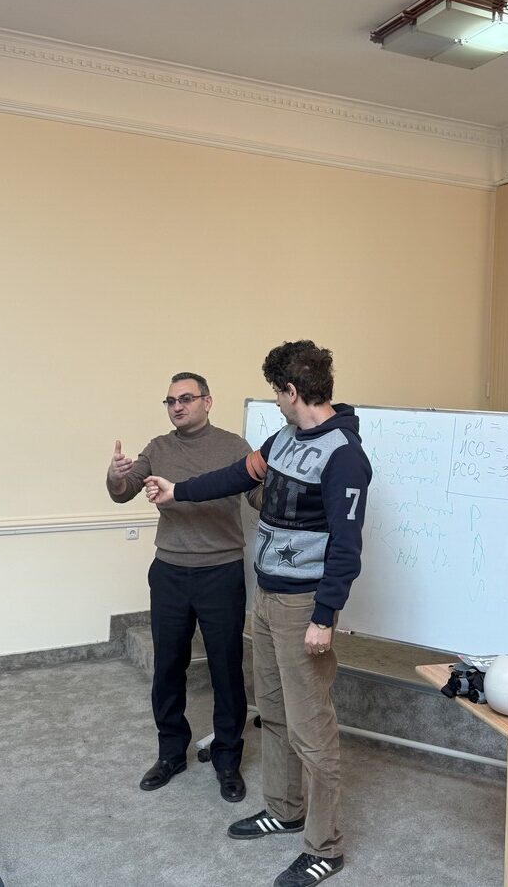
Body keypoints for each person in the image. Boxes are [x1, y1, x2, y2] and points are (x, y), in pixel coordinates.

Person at [144, 341, 372, 887]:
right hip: (266, 596)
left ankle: (325, 847)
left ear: (293, 391)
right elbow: (235, 477)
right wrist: (178, 491)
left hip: (303, 606)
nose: (275, 402)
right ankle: (285, 809)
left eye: (277, 393)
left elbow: (347, 546)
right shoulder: (283, 439)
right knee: (273, 711)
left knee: (312, 727)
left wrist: (324, 616)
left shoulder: (344, 455)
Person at [106, 371, 261, 802]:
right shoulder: (158, 448)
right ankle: (171, 753)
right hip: (170, 572)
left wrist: (282, 487)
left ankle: (227, 759)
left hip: (220, 572)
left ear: (207, 402)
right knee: (168, 667)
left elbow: (258, 498)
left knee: (226, 669)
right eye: (171, 401)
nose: (177, 406)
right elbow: (123, 491)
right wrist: (116, 475)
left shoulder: (234, 447)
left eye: (186, 398)